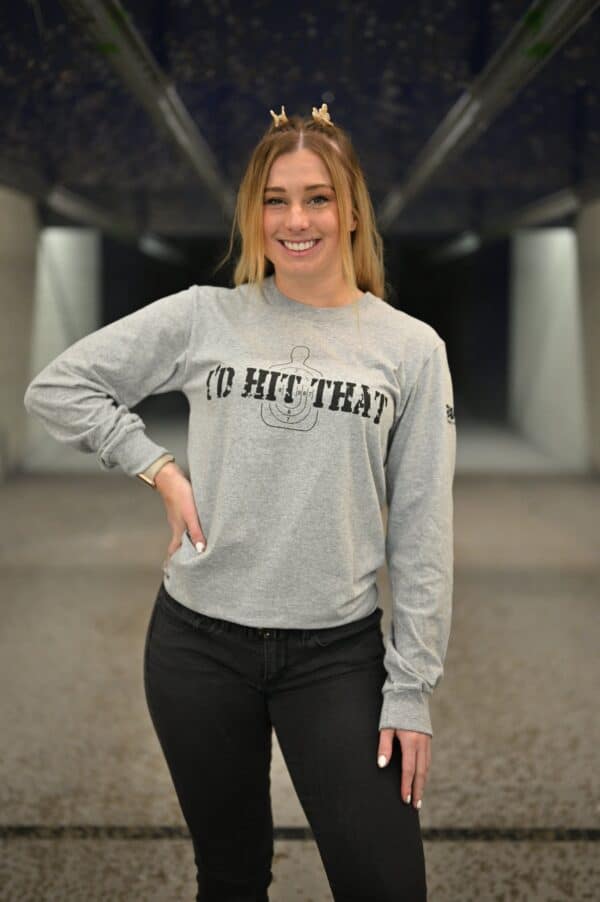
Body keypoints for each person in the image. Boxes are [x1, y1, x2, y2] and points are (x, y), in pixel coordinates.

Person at [23, 102, 456, 901]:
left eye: (317, 197)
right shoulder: (206, 317)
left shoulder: (409, 349)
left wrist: (411, 686)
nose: (297, 219)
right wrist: (158, 468)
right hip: (197, 648)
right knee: (228, 877)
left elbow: (424, 531)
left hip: (334, 657)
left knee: (386, 885)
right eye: (275, 199)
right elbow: (59, 387)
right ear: (254, 213)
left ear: (352, 208)